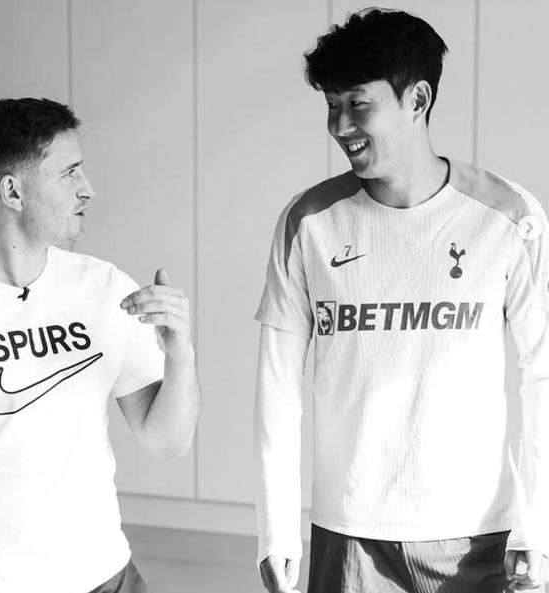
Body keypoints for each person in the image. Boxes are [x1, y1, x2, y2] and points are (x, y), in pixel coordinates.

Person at [254, 8, 549, 593]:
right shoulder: (308, 222)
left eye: (358, 103)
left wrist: (537, 526)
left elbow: (542, 374)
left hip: (478, 534)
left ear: (417, 99)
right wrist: (277, 530)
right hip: (348, 532)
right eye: (331, 105)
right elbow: (278, 389)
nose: (341, 125)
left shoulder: (508, 216)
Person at [0, 97, 200, 593]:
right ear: (13, 192)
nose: (88, 188)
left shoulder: (106, 289)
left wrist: (181, 355)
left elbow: (168, 441)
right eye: (69, 173)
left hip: (106, 575)